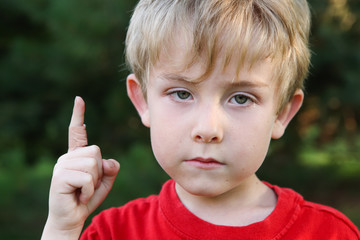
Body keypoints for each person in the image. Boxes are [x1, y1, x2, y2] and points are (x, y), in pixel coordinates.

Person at [41, 0, 360, 239]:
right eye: (181, 93)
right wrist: (61, 227)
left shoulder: (330, 234)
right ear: (142, 100)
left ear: (281, 113)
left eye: (240, 98)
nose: (208, 129)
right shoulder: (114, 233)